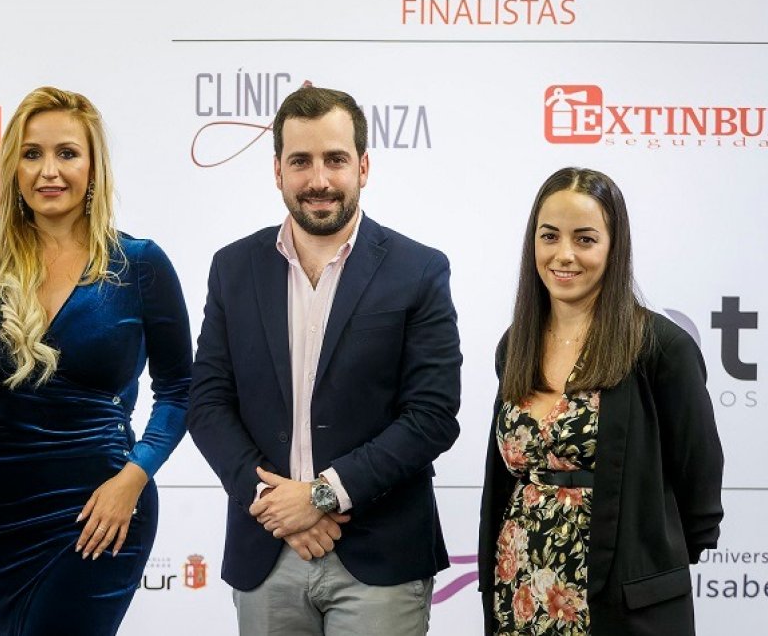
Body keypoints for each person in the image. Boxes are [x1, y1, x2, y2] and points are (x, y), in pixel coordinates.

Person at [187, 85, 462, 636]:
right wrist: (271, 502)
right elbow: (208, 402)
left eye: (335, 159)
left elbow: (432, 416)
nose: (318, 180)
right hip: (267, 551)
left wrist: (319, 496)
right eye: (301, 161)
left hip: (380, 556)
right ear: (277, 171)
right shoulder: (233, 269)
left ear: (363, 165)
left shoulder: (419, 269)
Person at [0, 86, 192, 635]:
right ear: (13, 168)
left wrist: (134, 477)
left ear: (94, 166)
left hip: (103, 509)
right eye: (32, 154)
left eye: (67, 153)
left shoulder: (141, 265)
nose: (49, 170)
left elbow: (179, 391)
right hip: (4, 516)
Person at [478, 167, 724, 635]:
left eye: (585, 239)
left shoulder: (659, 347)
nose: (563, 255)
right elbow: (504, 481)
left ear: (614, 247)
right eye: (549, 236)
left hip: (621, 604)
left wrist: (647, 565)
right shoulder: (516, 345)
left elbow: (700, 487)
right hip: (520, 591)